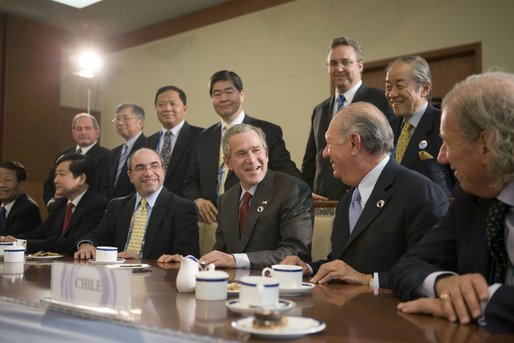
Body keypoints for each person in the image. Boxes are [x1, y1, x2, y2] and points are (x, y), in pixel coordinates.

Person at [390, 71, 514, 333]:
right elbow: (407, 266)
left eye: (448, 143)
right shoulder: (470, 199)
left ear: (486, 144)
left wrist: (480, 301)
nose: (441, 158)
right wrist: (443, 284)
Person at [282, 102, 448, 289]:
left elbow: (429, 272)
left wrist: (369, 279)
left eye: (329, 144)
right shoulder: (348, 201)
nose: (326, 154)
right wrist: (307, 268)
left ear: (355, 142)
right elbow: (342, 264)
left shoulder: (420, 193)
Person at [176, 124, 312, 270]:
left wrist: (236, 260)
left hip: (274, 285)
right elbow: (221, 254)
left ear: (266, 153)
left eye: (256, 150)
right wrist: (186, 262)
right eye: (241, 154)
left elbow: (295, 252)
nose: (251, 159)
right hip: (232, 287)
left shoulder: (293, 190)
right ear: (228, 162)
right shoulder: (226, 200)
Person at [183, 70, 301, 224]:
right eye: (217, 94)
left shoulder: (267, 131)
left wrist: (302, 188)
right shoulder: (202, 138)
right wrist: (198, 200)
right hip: (209, 221)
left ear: (241, 94)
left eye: (229, 92)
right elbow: (190, 181)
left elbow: (285, 169)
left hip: (250, 216)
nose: (223, 98)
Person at [302, 37, 398, 201]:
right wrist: (306, 193)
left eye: (345, 62)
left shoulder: (381, 101)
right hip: (322, 201)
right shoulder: (320, 110)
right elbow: (311, 160)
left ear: (360, 65)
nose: (339, 68)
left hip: (362, 198)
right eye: (333, 63)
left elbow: (389, 152)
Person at [75, 148, 199, 260]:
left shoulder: (183, 208)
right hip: (117, 276)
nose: (149, 173)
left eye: (154, 166)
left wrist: (140, 259)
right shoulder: (117, 206)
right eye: (140, 168)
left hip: (157, 279)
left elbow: (186, 257)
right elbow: (98, 235)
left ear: (163, 170)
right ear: (130, 176)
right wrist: (86, 244)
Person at [1, 154, 107, 255]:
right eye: (56, 174)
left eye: (61, 174)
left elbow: (71, 243)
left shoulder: (97, 205)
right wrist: (13, 240)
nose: (55, 180)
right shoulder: (59, 203)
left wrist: (22, 244)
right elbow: (42, 232)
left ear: (81, 179)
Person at [385, 55, 455, 196]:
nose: (391, 94)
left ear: (425, 88)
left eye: (400, 86)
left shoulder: (446, 124)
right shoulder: (386, 128)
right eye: (388, 86)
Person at [146, 85, 203, 197]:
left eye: (173, 104)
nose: (167, 109)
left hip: (186, 205)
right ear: (155, 109)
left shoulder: (200, 136)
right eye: (161, 104)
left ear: (185, 109)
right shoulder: (149, 142)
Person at [43, 113, 109, 208]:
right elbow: (50, 182)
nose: (83, 132)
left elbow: (101, 188)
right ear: (73, 133)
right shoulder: (62, 154)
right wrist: (51, 203)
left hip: (89, 210)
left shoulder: (107, 156)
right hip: (58, 210)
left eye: (88, 128)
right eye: (79, 129)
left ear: (97, 132)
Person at [102, 102, 147, 199]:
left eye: (125, 118)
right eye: (117, 119)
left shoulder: (148, 147)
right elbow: (106, 185)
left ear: (140, 122)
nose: (120, 123)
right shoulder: (113, 153)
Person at [0, 161, 41, 236]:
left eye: (8, 180)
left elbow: (8, 239)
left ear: (21, 185)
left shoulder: (28, 209)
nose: (1, 185)